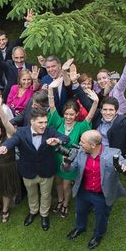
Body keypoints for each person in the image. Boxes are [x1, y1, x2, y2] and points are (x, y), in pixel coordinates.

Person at [64, 130, 126, 249]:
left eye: (83, 142)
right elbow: (68, 169)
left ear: (93, 145)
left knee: (101, 217)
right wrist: (66, 164)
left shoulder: (113, 154)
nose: (79, 143)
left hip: (102, 195)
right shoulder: (80, 153)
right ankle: (80, 227)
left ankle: (98, 236)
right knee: (80, 211)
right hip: (84, 191)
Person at [0, 109, 70, 231]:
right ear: (32, 121)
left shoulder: (50, 131)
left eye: (45, 122)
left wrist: (57, 140)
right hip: (28, 170)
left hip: (46, 170)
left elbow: (65, 138)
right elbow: (12, 141)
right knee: (31, 193)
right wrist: (5, 146)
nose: (44, 125)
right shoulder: (21, 132)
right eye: (40, 122)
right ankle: (33, 211)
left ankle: (44, 214)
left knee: (46, 195)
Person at [48, 81, 99, 218]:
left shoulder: (80, 126)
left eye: (71, 114)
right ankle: (59, 201)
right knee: (57, 182)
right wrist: (51, 89)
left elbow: (90, 116)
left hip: (70, 161)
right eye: (66, 114)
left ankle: (65, 203)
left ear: (76, 114)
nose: (68, 117)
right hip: (56, 157)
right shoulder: (58, 121)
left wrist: (95, 102)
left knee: (66, 185)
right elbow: (52, 106)